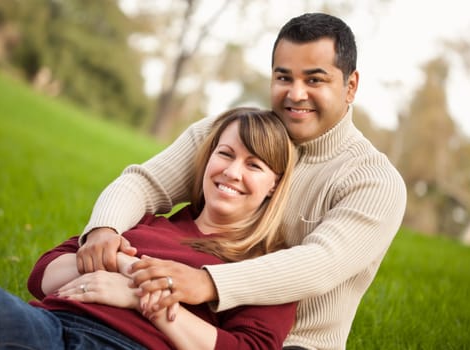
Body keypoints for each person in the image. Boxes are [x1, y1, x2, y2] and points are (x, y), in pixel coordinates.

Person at [76, 12, 407, 350]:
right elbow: (144, 183)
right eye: (283, 77)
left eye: (314, 80)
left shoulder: (374, 182)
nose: (295, 94)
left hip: (297, 343)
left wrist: (207, 282)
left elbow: (320, 263)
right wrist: (105, 228)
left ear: (350, 86)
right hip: (187, 321)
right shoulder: (228, 133)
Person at [0, 108, 299, 349]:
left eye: (254, 165)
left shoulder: (264, 268)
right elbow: (43, 275)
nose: (232, 172)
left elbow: (248, 347)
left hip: (133, 345)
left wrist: (139, 297)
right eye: (225, 154)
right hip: (51, 327)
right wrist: (124, 266)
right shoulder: (148, 222)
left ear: (273, 185)